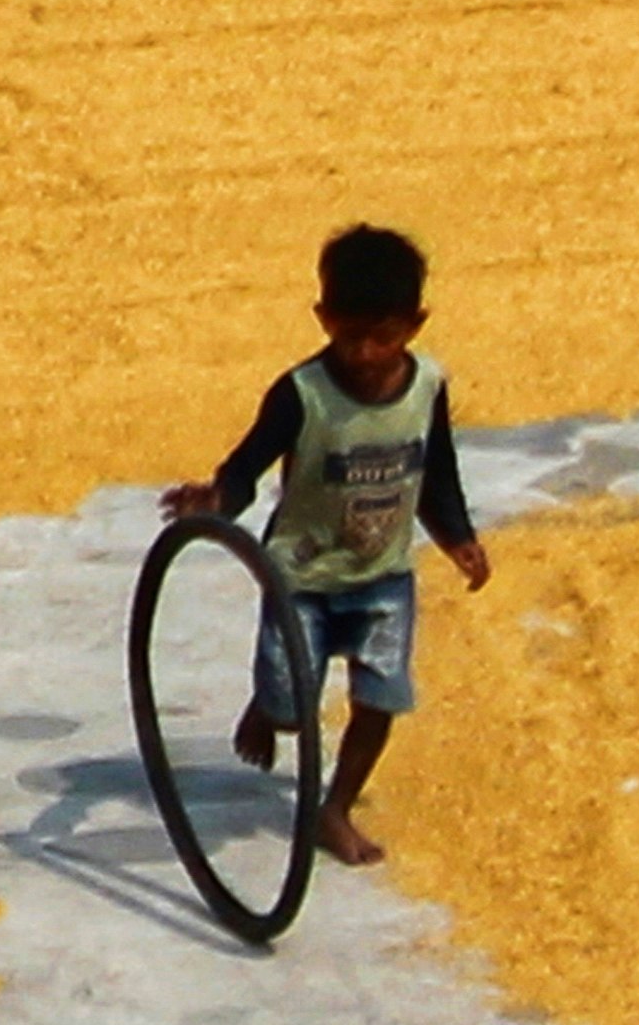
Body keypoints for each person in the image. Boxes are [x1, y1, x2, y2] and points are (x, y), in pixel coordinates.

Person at [164, 222, 491, 864]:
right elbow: (246, 467)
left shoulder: (428, 388)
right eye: (348, 336)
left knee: (381, 697)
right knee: (292, 710)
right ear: (322, 318)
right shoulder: (302, 394)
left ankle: (333, 810)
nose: (365, 353)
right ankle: (271, 707)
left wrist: (457, 538)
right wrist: (214, 502)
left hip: (383, 576)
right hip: (302, 580)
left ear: (415, 325)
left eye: (383, 337)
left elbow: (436, 469)